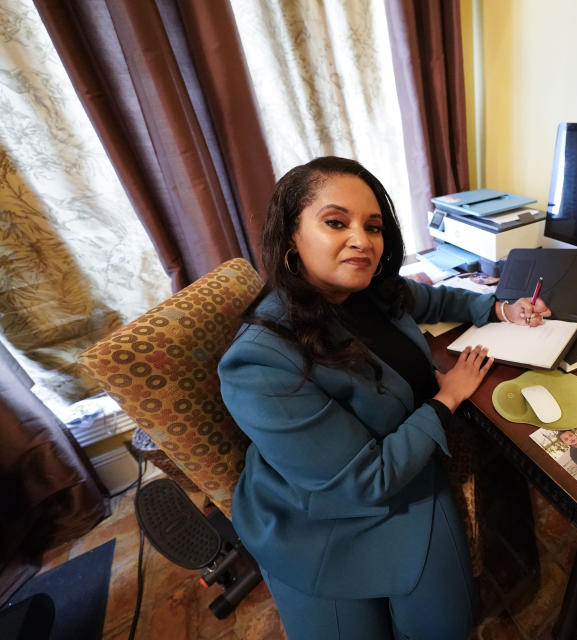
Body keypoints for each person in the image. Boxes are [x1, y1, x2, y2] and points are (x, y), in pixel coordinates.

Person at [218, 156, 551, 640]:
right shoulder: (259, 362)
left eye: (372, 227)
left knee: (442, 627)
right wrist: (448, 397)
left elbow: (436, 299)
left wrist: (500, 307)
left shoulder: (368, 289)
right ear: (292, 236)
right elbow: (361, 480)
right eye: (336, 222)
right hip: (317, 510)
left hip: (399, 471)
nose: (362, 240)